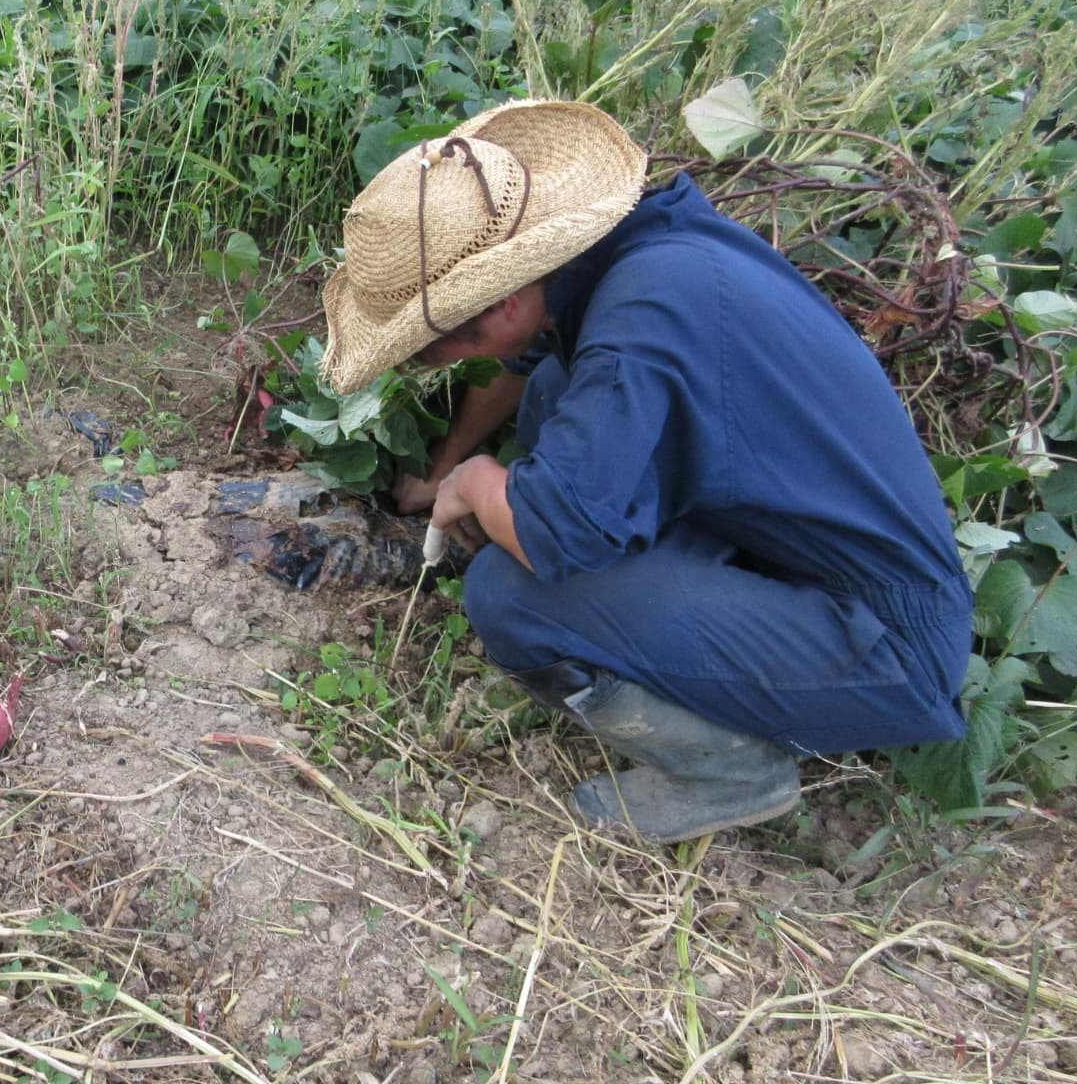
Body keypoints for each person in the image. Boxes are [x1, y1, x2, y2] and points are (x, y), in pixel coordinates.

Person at [319, 100, 971, 844]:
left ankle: (730, 773)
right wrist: (443, 472)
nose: (433, 364)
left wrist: (477, 484)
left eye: (433, 351)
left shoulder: (642, 323)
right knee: (552, 397)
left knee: (511, 592)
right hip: (805, 563)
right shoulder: (619, 260)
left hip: (882, 643)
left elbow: (549, 533)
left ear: (502, 302)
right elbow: (517, 366)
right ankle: (674, 621)